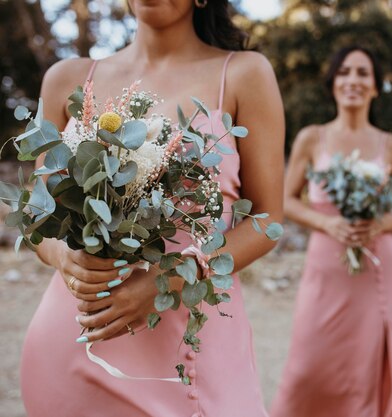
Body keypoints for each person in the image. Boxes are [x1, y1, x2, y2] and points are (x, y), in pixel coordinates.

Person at [20, 1, 284, 416]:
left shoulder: (244, 73)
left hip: (187, 347)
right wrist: (64, 256)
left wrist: (171, 279)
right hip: (74, 341)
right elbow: (38, 210)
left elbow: (268, 219)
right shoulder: (65, 79)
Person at [270, 46, 392, 417]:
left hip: (377, 269)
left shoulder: (391, 146)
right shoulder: (311, 139)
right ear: (333, 82)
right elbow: (285, 200)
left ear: (377, 86)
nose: (353, 80)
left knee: (363, 374)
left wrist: (381, 223)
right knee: (307, 369)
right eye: (345, 72)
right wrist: (328, 222)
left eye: (363, 73)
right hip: (325, 267)